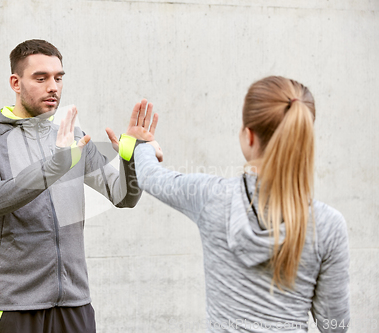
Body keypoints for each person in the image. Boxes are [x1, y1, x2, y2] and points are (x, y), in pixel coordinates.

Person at [123, 76, 350, 332]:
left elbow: (151, 177)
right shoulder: (328, 225)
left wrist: (141, 143)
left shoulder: (210, 197)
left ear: (248, 136)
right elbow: (335, 326)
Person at [0, 39, 157, 333]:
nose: (53, 86)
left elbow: (123, 197)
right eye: (40, 78)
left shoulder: (76, 139)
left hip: (74, 304)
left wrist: (131, 160)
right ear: (16, 82)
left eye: (58, 77)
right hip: (15, 307)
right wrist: (55, 166)